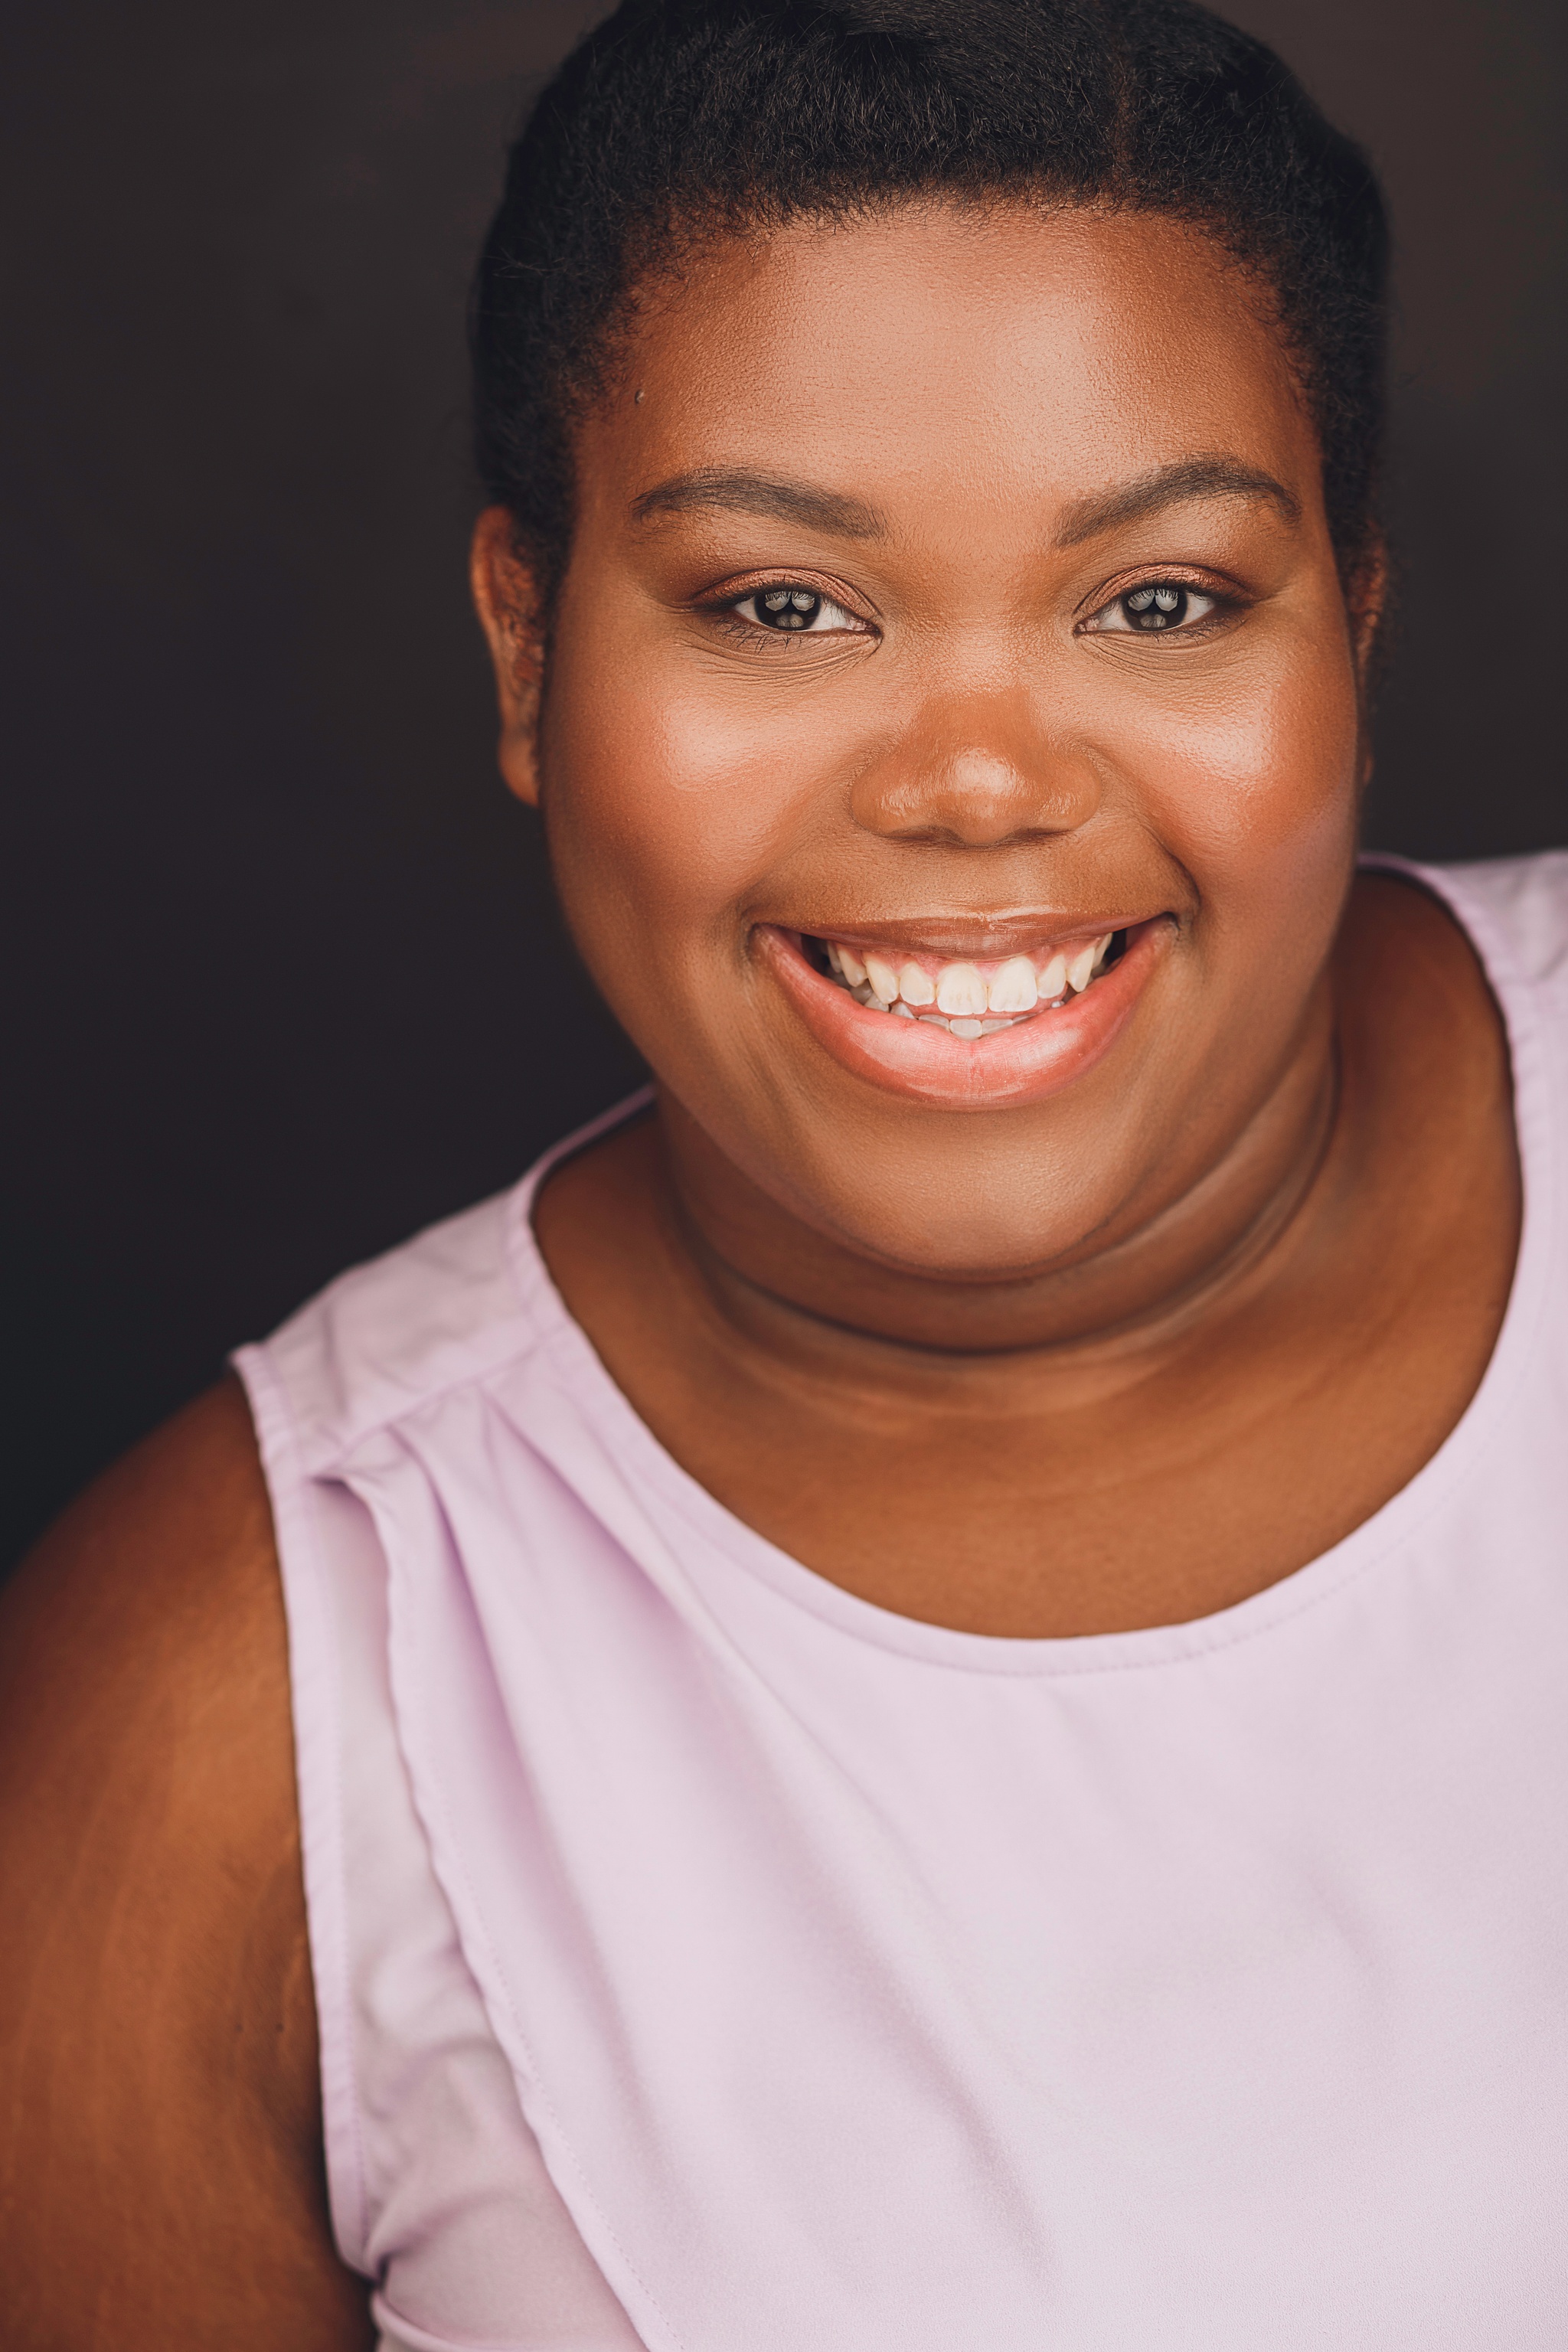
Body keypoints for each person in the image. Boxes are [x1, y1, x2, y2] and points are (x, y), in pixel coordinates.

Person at [2, 0, 1563, 2341]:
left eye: (1158, 599)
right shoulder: (218, 1728)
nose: (972, 781)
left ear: (1349, 617)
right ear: (528, 652)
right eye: (779, 604)